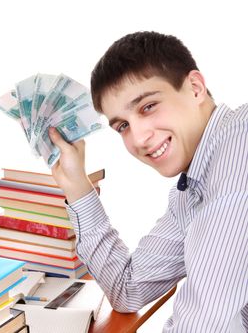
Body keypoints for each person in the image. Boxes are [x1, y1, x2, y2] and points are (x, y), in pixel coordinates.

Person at [48, 31, 248, 332]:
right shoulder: (194, 185)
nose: (139, 138)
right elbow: (129, 288)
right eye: (123, 125)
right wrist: (77, 185)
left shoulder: (237, 155)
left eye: (148, 106)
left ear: (195, 88)